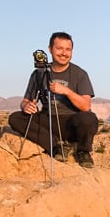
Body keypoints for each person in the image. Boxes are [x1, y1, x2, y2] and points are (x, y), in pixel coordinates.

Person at [9, 31, 99, 168]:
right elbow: (26, 100)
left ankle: (83, 151)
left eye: (68, 49)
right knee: (15, 118)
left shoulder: (80, 74)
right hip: (48, 120)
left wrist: (67, 91)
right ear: (50, 49)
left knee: (89, 118)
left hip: (71, 122)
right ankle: (55, 146)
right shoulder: (39, 73)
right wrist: (26, 106)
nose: (64, 53)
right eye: (59, 48)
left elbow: (86, 106)